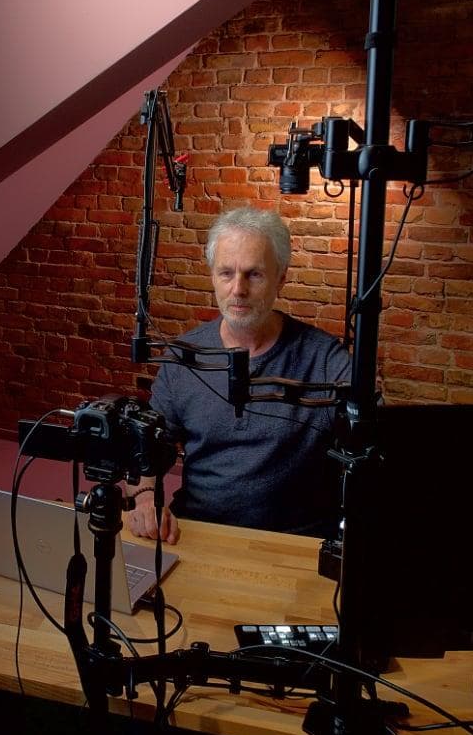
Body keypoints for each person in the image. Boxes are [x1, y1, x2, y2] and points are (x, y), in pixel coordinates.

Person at [127, 207, 350, 544]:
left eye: (254, 274)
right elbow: (145, 453)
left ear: (282, 277)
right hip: (198, 533)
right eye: (226, 273)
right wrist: (145, 499)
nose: (238, 289)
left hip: (294, 544)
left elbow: (376, 448)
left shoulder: (324, 358)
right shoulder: (184, 357)